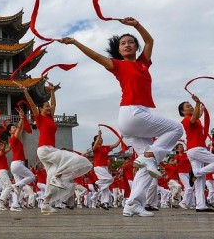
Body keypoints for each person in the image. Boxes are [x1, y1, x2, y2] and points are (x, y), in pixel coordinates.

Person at [59, 18, 183, 217]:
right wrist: (75, 42)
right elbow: (96, 57)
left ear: (136, 47)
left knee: (147, 168)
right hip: (132, 113)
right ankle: (149, 156)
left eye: (130, 42)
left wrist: (137, 25)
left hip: (139, 117)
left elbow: (150, 41)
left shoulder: (143, 63)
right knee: (176, 129)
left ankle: (133, 204)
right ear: (119, 50)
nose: (126, 45)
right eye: (123, 43)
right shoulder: (117, 65)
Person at [17, 81, 92, 213]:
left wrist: (52, 90)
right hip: (45, 150)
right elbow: (33, 104)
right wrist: (25, 91)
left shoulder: (50, 117)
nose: (48, 108)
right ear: (41, 109)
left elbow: (54, 104)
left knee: (50, 179)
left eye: (48, 106)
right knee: (70, 157)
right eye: (45, 106)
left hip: (50, 150)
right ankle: (57, 178)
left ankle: (45, 204)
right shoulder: (39, 117)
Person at [178, 95, 214, 212]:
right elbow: (194, 118)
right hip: (196, 149)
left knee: (200, 180)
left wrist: (201, 110)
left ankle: (200, 205)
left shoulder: (194, 119)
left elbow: (197, 116)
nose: (190, 107)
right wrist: (198, 103)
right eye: (188, 106)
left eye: (190, 105)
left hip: (194, 150)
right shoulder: (186, 120)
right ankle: (196, 172)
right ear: (183, 112)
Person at [7, 111, 36, 211]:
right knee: (31, 176)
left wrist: (22, 119)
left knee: (18, 190)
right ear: (10, 131)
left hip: (15, 165)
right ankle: (16, 185)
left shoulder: (14, 139)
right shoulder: (13, 139)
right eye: (13, 128)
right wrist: (22, 118)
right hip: (17, 164)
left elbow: (20, 128)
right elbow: (20, 128)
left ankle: (14, 205)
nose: (15, 128)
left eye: (15, 127)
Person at [91, 129, 122, 210]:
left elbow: (115, 145)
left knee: (106, 188)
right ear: (95, 140)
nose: (101, 139)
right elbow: (95, 146)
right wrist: (99, 135)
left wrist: (121, 137)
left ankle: (104, 203)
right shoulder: (95, 148)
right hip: (98, 166)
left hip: (104, 167)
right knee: (110, 179)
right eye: (99, 138)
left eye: (101, 138)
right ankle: (97, 184)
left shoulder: (106, 147)